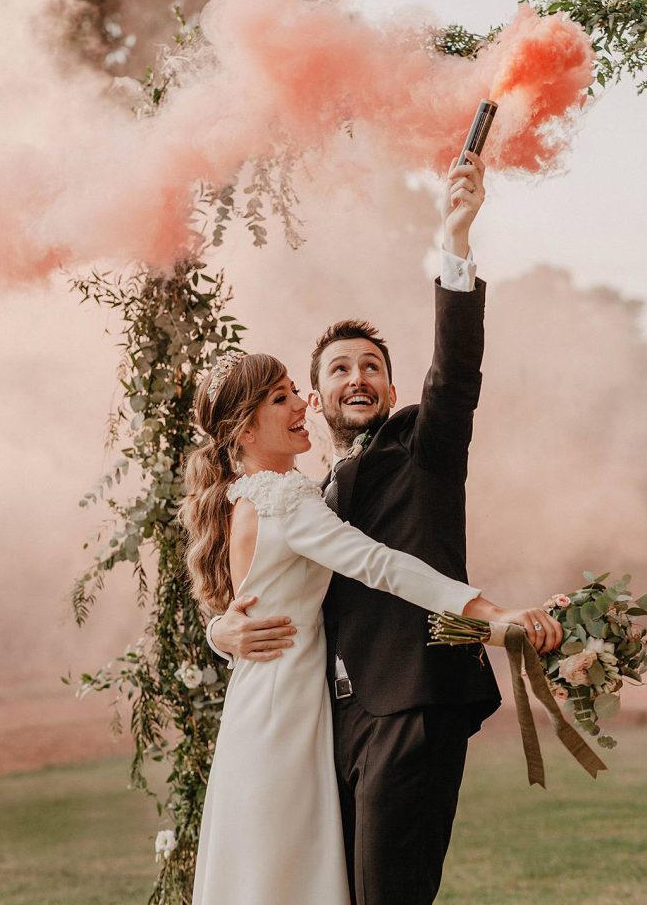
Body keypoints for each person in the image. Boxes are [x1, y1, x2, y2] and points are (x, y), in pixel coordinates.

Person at [207, 151, 562, 904]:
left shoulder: (422, 447)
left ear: (392, 389)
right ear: (312, 397)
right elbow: (267, 584)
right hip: (320, 723)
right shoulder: (296, 489)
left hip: (410, 702)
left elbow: (455, 375)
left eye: (371, 366)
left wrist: (455, 242)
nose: (357, 377)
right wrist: (222, 631)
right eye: (339, 369)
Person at [180, 349, 561, 905]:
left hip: (267, 701)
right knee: (285, 874)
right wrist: (492, 613)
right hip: (284, 711)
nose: (301, 406)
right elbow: (381, 565)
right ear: (244, 427)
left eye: (296, 392)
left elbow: (252, 606)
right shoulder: (283, 499)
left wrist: (220, 634)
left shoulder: (252, 495)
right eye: (281, 398)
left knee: (272, 872)